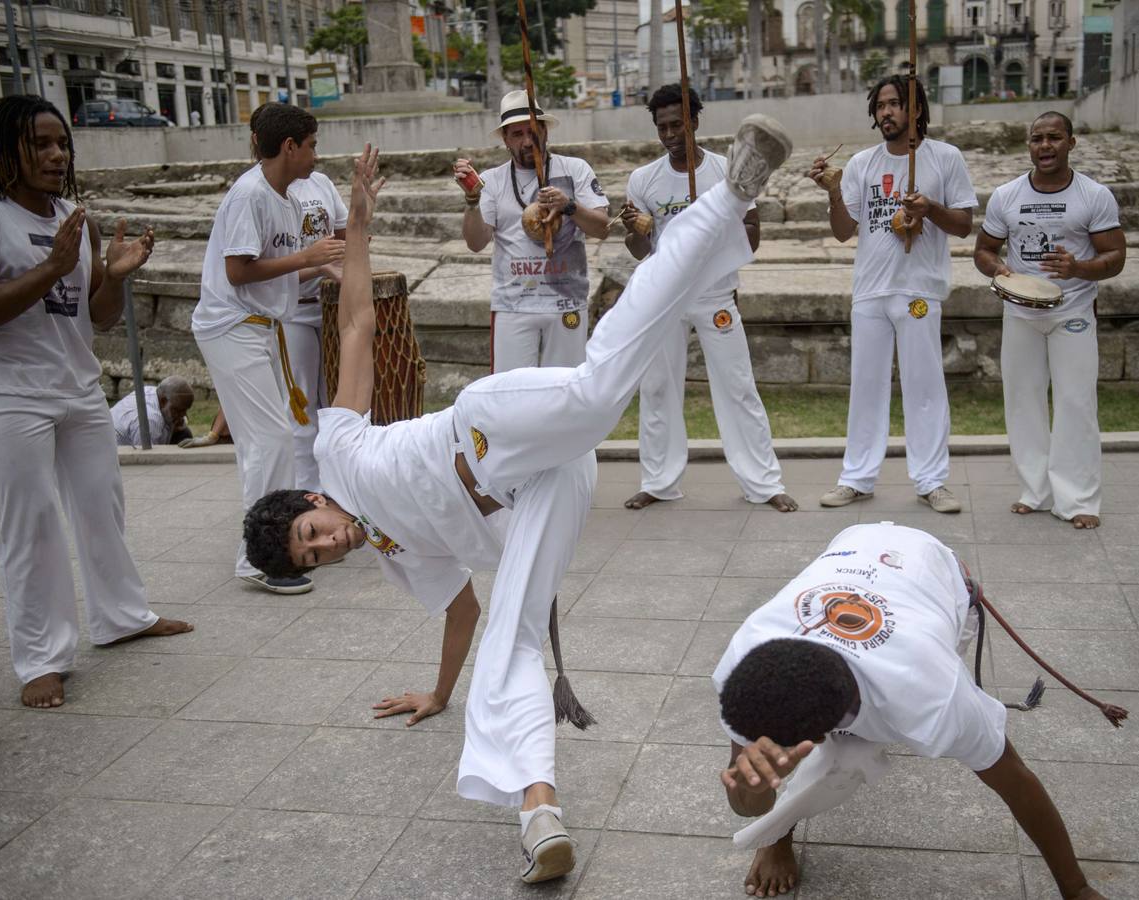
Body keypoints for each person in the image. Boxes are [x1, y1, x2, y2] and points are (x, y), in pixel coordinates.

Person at [242, 118, 793, 883]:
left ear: (310, 498)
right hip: (538, 492)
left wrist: (360, 228)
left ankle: (731, 194)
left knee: (601, 389)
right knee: (514, 637)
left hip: (487, 432)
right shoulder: (397, 561)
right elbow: (464, 612)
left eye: (312, 530)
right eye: (313, 556)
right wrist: (437, 693)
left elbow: (358, 322)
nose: (327, 545)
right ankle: (540, 813)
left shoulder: (335, 448)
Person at [713, 521, 1105, 900]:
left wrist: (1078, 890)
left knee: (846, 760)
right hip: (854, 543)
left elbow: (1016, 780)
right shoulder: (746, 668)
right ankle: (778, 838)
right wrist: (756, 787)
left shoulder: (933, 694)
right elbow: (745, 801)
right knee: (778, 767)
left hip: (934, 567)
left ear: (819, 737)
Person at [0, 95, 192, 709]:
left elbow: (93, 318)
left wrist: (116, 276)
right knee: (33, 523)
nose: (54, 155)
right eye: (38, 144)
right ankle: (41, 659)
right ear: (2, 150)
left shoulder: (78, 216)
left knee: (102, 505)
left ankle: (121, 616)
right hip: (10, 391)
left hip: (78, 387)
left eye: (61, 143)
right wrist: (51, 267)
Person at [621, 84, 796, 514]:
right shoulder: (643, 180)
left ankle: (763, 483)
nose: (669, 135)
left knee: (738, 387)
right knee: (658, 387)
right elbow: (639, 251)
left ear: (695, 121)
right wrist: (639, 233)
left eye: (677, 124)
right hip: (664, 297)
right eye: (661, 127)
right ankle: (658, 481)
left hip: (715, 293)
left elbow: (752, 233)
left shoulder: (725, 172)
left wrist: (716, 236)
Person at [191, 104, 345, 593]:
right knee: (270, 441)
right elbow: (238, 271)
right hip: (231, 326)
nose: (316, 155)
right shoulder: (251, 193)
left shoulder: (284, 197)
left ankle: (266, 546)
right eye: (312, 145)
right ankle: (257, 558)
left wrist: (317, 267)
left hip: (259, 325)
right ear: (289, 147)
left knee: (270, 440)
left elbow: (271, 269)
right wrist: (308, 257)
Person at [808, 76, 976, 513]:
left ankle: (931, 481)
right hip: (870, 290)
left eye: (896, 104)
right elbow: (845, 232)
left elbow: (963, 225)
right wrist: (832, 194)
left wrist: (930, 210)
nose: (886, 112)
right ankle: (857, 478)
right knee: (866, 387)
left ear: (916, 109)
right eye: (880, 105)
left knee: (924, 387)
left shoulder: (944, 158)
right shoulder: (863, 164)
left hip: (919, 290)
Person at [974, 112, 1126, 530]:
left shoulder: (1094, 195)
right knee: (1023, 402)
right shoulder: (1006, 195)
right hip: (1021, 311)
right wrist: (998, 268)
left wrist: (1079, 268)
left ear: (1071, 143)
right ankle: (1035, 491)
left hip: (1072, 311)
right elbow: (983, 249)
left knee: (1076, 403)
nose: (1045, 146)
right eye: (1037, 139)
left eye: (1054, 138)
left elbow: (1115, 258)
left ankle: (1078, 500)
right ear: (1029, 145)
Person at [453, 90, 610, 372]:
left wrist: (569, 206)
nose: (527, 141)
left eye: (533, 131)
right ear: (505, 139)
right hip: (514, 305)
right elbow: (476, 243)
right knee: (510, 394)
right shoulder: (491, 180)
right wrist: (472, 200)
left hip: (566, 302)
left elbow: (603, 228)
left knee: (565, 392)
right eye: (517, 134)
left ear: (545, 130)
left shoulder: (576, 170)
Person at [247, 104, 348, 493]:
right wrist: (318, 266)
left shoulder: (319, 182)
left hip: (331, 310)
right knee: (302, 412)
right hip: (293, 313)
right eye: (311, 145)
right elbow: (265, 269)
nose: (316, 153)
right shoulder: (263, 192)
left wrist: (358, 225)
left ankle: (341, 493)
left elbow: (339, 240)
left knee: (338, 409)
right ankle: (308, 498)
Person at [109, 375, 195, 447]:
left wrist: (173, 427)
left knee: (184, 434)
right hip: (117, 456)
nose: (183, 415)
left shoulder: (154, 392)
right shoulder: (150, 420)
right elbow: (147, 458)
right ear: (163, 401)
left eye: (185, 410)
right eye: (178, 410)